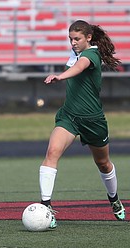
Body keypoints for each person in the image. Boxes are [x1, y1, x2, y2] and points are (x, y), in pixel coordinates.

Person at [39, 20, 124, 228]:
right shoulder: (76, 53)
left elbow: (79, 67)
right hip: (69, 117)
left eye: (76, 39)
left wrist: (60, 76)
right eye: (70, 39)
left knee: (103, 163)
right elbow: (76, 64)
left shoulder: (91, 55)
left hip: (93, 120)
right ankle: (46, 207)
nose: (73, 42)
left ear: (88, 38)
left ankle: (114, 199)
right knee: (52, 153)